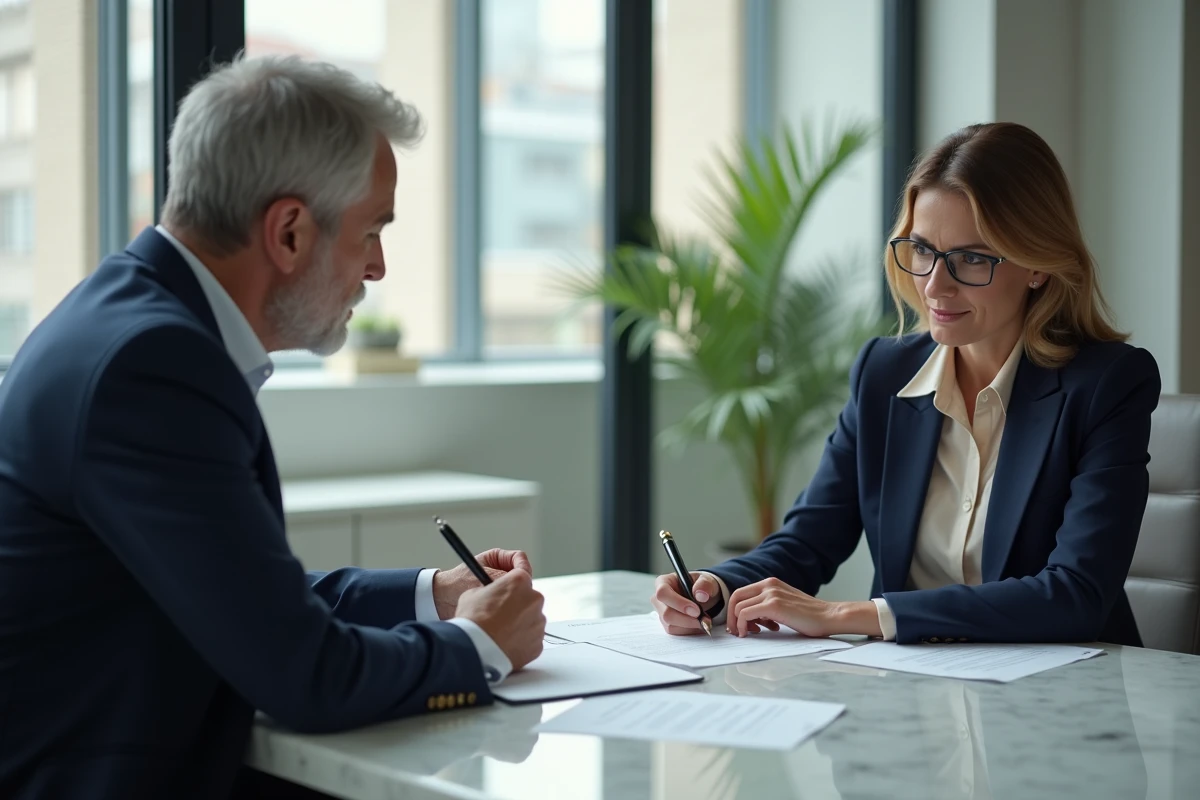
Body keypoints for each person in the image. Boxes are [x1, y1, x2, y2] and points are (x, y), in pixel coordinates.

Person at [0, 56, 546, 800]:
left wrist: (434, 596)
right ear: (289, 232)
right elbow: (307, 676)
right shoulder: (151, 366)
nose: (377, 268)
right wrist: (477, 646)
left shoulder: (127, 320)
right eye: (370, 232)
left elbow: (240, 594)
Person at [652, 122, 1160, 647]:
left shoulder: (1107, 385)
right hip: (915, 689)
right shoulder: (885, 373)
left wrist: (853, 615)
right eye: (921, 250)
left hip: (1066, 697)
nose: (935, 285)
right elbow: (807, 541)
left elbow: (1075, 595)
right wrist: (717, 587)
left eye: (970, 259)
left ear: (1036, 265)